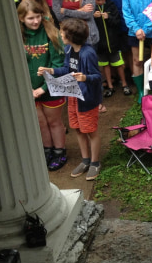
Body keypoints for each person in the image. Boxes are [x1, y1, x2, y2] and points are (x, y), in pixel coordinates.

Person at [38, 18, 103, 181]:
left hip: (87, 100)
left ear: (71, 36)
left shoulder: (88, 53)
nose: (60, 34)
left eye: (62, 32)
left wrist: (85, 78)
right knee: (78, 129)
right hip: (73, 97)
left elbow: (97, 76)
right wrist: (50, 70)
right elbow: (67, 68)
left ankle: (95, 162)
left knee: (90, 131)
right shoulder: (68, 49)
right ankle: (85, 160)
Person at [17, 0, 67, 171]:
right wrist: (27, 88)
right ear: (21, 18)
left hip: (51, 87)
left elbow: (58, 64)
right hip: (29, 89)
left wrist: (43, 88)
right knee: (40, 122)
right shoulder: (17, 36)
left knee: (54, 122)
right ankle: (47, 150)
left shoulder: (51, 34)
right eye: (30, 18)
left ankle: (60, 151)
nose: (35, 21)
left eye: (38, 17)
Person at [92, 0, 130, 100]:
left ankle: (124, 84)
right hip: (100, 44)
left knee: (119, 64)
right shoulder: (92, 8)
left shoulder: (111, 5)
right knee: (105, 65)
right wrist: (93, 16)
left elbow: (117, 21)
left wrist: (109, 18)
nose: (101, 2)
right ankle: (110, 86)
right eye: (98, 0)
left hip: (113, 42)